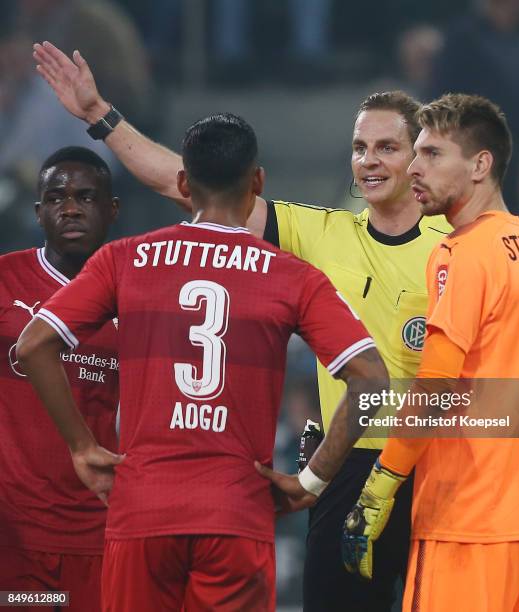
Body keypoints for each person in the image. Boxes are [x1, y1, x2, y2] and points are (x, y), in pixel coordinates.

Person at [32, 41, 452, 610]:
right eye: (359, 147)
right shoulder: (319, 236)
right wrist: (100, 116)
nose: (369, 160)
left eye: (386, 147)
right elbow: (192, 182)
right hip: (348, 467)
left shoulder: (455, 251)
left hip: (439, 464)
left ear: (419, 159)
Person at [341, 94, 519, 611]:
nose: (414, 167)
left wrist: (380, 486)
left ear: (480, 165)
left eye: (432, 155)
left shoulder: (461, 252)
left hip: (468, 520)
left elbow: (436, 386)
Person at [0, 146, 120, 610]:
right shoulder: (5, 280)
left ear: (112, 210)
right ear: (38, 212)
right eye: (56, 198)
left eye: (86, 197)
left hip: (98, 530)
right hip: (14, 536)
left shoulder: (133, 294)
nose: (70, 207)